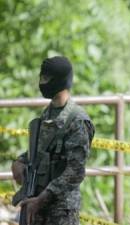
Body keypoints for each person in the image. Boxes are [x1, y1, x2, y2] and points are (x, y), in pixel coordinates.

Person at [10, 56, 95, 225]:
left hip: (60, 210)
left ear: (61, 81)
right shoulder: (47, 114)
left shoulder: (77, 120)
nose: (42, 82)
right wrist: (19, 162)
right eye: (41, 77)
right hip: (35, 203)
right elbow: (39, 152)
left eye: (47, 78)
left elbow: (75, 171)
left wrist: (41, 199)